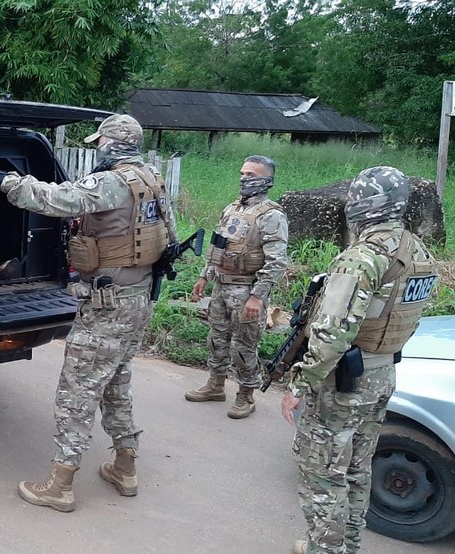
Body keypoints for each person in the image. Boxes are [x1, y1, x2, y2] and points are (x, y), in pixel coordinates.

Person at [0, 113, 179, 512]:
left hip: (107, 305)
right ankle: (125, 466)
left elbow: (53, 199)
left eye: (100, 143)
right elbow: (169, 235)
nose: (98, 149)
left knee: (77, 392)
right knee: (116, 381)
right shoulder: (150, 178)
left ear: (110, 144)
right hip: (137, 299)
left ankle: (60, 485)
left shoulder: (111, 183)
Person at [282, 167, 437, 554]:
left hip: (343, 382)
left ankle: (325, 550)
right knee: (356, 469)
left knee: (323, 474)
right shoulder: (418, 251)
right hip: (382, 373)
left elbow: (333, 333)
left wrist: (300, 384)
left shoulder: (363, 258)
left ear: (363, 205)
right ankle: (347, 545)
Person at [186, 155, 289, 419]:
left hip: (247, 290)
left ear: (266, 180)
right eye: (242, 174)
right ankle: (215, 385)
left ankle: (246, 395)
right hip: (221, 286)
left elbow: (277, 261)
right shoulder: (232, 209)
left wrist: (257, 297)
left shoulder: (272, 215)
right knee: (216, 339)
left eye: (251, 175)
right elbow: (217, 248)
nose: (244, 179)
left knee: (244, 346)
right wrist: (204, 277)